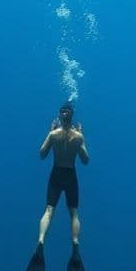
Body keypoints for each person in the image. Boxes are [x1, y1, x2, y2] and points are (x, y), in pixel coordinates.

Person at [37, 101, 89, 245]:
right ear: (72, 116)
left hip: (56, 173)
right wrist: (81, 139)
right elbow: (85, 160)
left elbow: (42, 154)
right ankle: (75, 241)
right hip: (70, 175)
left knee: (49, 210)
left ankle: (41, 240)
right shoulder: (78, 137)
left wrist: (50, 133)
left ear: (60, 115)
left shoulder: (53, 134)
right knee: (73, 212)